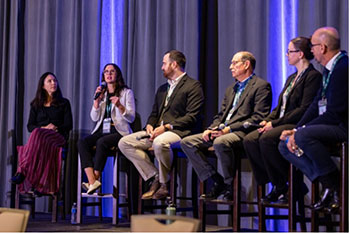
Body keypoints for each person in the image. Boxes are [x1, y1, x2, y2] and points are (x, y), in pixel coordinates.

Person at [181, 51, 272, 200]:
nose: (230, 67)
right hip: (223, 130)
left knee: (221, 141)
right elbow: (221, 115)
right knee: (187, 142)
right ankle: (216, 181)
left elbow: (258, 118)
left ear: (246, 64)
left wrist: (228, 129)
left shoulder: (261, 86)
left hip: (242, 132)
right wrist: (211, 128)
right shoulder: (231, 89)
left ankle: (230, 186)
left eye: (234, 63)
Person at [243, 37, 322, 203]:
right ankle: (278, 184)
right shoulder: (292, 78)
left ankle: (285, 185)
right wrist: (268, 120)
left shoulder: (313, 77)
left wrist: (274, 124)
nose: (286, 55)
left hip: (297, 123)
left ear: (300, 54)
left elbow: (303, 109)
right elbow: (279, 108)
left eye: (289, 51)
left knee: (267, 139)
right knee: (250, 139)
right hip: (281, 121)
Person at [118, 50, 204, 200]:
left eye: (164, 63)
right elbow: (154, 113)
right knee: (125, 143)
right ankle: (155, 175)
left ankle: (165, 184)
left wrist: (166, 127)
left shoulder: (192, 86)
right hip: (158, 131)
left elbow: (192, 117)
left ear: (174, 64)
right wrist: (150, 125)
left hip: (179, 131)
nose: (162, 67)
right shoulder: (162, 89)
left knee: (160, 143)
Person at [279, 27, 348, 213]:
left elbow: (334, 113)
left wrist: (300, 131)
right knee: (284, 144)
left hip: (343, 126)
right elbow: (316, 104)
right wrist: (296, 128)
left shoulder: (343, 68)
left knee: (303, 137)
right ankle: (329, 183)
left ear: (323, 47)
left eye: (313, 46)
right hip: (330, 123)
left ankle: (334, 185)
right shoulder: (328, 69)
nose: (311, 50)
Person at [77, 63, 135, 194]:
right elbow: (94, 117)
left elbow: (131, 118)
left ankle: (93, 181)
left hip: (119, 131)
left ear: (117, 74)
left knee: (101, 142)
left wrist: (120, 106)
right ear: (103, 76)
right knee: (82, 142)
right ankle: (93, 181)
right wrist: (96, 103)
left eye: (112, 71)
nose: (108, 74)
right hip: (102, 130)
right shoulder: (101, 93)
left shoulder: (126, 93)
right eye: (106, 72)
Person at [11, 72, 73, 195]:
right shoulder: (36, 105)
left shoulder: (64, 103)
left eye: (55, 81)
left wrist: (55, 128)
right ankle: (41, 186)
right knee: (38, 132)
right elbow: (30, 126)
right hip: (40, 139)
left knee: (37, 133)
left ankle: (22, 172)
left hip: (58, 137)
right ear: (43, 86)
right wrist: (44, 128)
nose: (53, 83)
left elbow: (69, 125)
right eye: (49, 81)